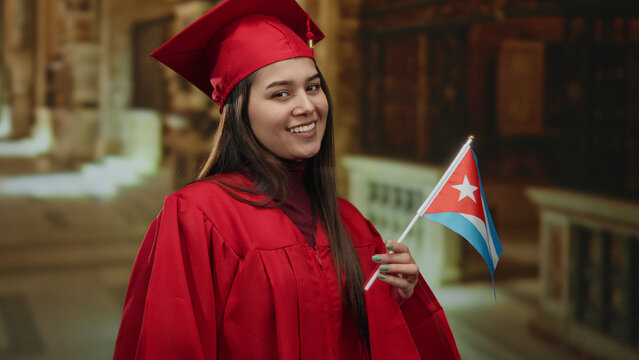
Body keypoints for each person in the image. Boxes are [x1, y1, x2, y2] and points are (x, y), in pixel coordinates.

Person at [113, 0, 460, 359]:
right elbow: (170, 345)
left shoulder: (351, 224)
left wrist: (398, 297)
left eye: (312, 87)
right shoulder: (197, 217)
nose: (307, 106)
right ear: (239, 111)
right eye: (281, 93)